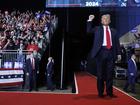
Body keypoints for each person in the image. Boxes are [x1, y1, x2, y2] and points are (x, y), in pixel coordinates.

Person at [87, 14, 121, 97]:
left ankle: (109, 93)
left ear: (110, 21)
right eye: (103, 18)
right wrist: (89, 20)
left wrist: (119, 53)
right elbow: (88, 31)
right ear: (101, 21)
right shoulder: (97, 29)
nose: (105, 19)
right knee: (100, 74)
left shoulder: (114, 31)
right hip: (100, 53)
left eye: (107, 18)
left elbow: (117, 43)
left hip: (111, 53)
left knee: (110, 74)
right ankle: (100, 93)